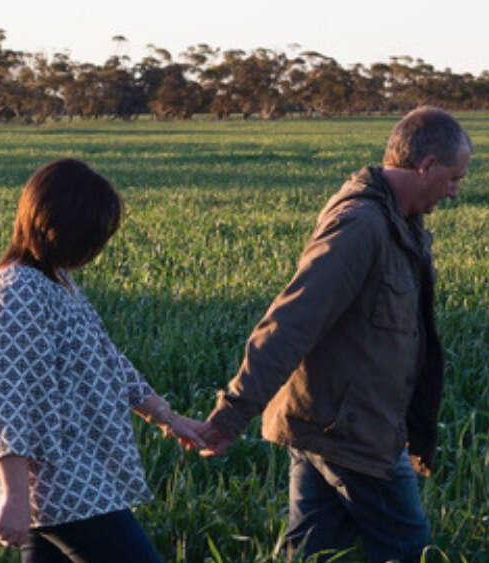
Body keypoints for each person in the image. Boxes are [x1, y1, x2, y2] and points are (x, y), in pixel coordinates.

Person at [199, 106, 472, 563]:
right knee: (407, 548)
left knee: (310, 553)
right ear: (426, 167)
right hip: (352, 434)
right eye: (452, 178)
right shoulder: (361, 225)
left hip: (327, 423)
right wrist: (232, 414)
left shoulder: (398, 223)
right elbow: (292, 320)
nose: (455, 191)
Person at [0, 158, 207, 563]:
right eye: (90, 236)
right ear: (52, 225)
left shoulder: (55, 279)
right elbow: (5, 398)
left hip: (77, 469)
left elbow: (108, 363)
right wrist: (13, 496)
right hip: (62, 479)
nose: (95, 249)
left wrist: (171, 419)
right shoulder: (18, 290)